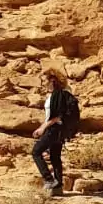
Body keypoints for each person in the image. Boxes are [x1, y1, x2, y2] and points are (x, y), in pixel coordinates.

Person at [32, 64, 70, 196]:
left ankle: (49, 180)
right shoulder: (56, 94)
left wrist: (42, 128)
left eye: (45, 81)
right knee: (55, 157)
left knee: (36, 152)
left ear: (52, 80)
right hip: (57, 129)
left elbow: (58, 115)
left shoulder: (58, 94)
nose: (43, 84)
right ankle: (58, 188)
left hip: (54, 129)